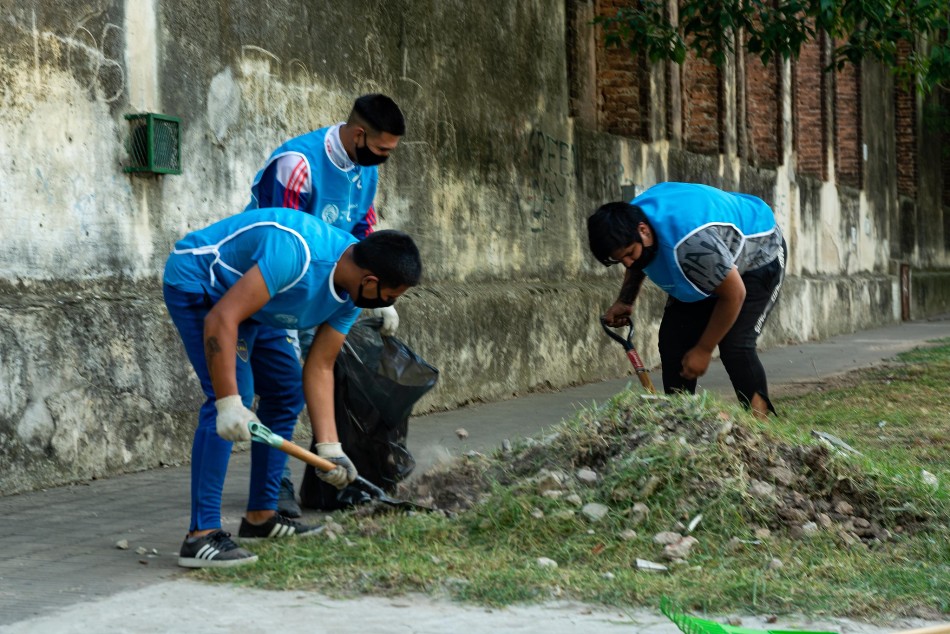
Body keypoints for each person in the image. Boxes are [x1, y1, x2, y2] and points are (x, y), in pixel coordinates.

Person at [163, 207, 422, 567]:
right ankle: (200, 536)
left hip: (259, 304)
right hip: (202, 285)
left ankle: (261, 517)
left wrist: (331, 449)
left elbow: (320, 365)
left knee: (286, 389)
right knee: (230, 393)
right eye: (390, 296)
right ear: (370, 280)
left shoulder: (349, 294)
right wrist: (229, 403)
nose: (388, 304)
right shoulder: (296, 253)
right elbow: (222, 318)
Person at [245, 93, 406, 516]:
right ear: (358, 134)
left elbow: (362, 230)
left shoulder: (362, 169)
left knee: (327, 375)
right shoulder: (297, 165)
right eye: (383, 150)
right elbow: (282, 238)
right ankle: (272, 485)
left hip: (330, 285)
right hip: (274, 288)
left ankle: (332, 469)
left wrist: (376, 295)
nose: (385, 159)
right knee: (281, 390)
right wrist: (289, 327)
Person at [587, 182, 786, 418]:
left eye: (630, 253)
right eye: (621, 260)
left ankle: (760, 427)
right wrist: (625, 300)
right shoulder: (628, 223)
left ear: (643, 230)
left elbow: (734, 294)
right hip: (713, 258)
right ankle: (680, 422)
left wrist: (703, 350)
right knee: (674, 341)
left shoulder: (692, 244)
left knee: (735, 345)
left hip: (760, 254)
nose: (628, 263)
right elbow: (637, 260)